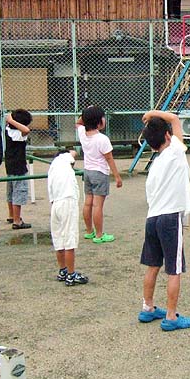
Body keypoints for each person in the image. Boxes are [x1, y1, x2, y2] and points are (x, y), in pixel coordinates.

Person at [139, 110, 190, 331]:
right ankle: (171, 316)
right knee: (174, 268)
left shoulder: (155, 166)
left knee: (153, 265)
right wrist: (151, 114)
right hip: (170, 218)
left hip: (152, 218)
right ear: (167, 136)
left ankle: (148, 307)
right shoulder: (175, 152)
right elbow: (174, 118)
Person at [76, 105, 123, 244]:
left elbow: (78, 123)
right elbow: (109, 158)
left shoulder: (82, 133)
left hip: (88, 171)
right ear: (99, 122)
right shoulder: (102, 139)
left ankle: (89, 231)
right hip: (100, 173)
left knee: (88, 203)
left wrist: (87, 112)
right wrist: (117, 176)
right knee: (98, 206)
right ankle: (99, 234)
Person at [48, 149, 89, 287]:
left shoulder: (52, 168)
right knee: (69, 238)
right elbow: (73, 153)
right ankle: (71, 274)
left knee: (59, 238)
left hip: (56, 203)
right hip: (67, 201)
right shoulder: (64, 159)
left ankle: (63, 270)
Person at [4, 109, 33, 230]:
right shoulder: (19, 135)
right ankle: (17, 221)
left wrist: (10, 121)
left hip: (9, 165)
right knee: (18, 193)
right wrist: (12, 120)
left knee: (11, 192)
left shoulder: (8, 130)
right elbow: (26, 130)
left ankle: (12, 215)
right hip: (19, 167)